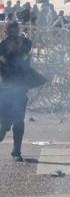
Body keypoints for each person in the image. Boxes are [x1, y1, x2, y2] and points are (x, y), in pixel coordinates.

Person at [0, 22, 36, 161]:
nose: (14, 34)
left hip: (20, 89)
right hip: (5, 89)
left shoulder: (25, 42)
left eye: (16, 31)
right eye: (11, 31)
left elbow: (27, 48)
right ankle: (3, 130)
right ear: (7, 31)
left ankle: (16, 152)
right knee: (5, 123)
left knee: (19, 121)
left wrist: (19, 43)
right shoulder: (2, 45)